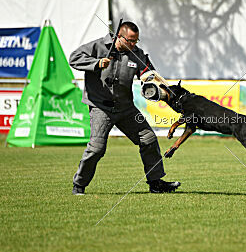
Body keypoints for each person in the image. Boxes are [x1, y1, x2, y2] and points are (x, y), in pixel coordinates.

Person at [69, 21, 180, 195]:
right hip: (101, 107)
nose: (133, 44)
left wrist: (150, 80)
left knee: (148, 138)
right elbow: (73, 58)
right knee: (97, 148)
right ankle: (79, 185)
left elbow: (149, 72)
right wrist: (97, 64)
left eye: (136, 41)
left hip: (126, 108)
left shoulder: (136, 54)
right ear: (118, 37)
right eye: (130, 40)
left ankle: (156, 183)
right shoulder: (97, 46)